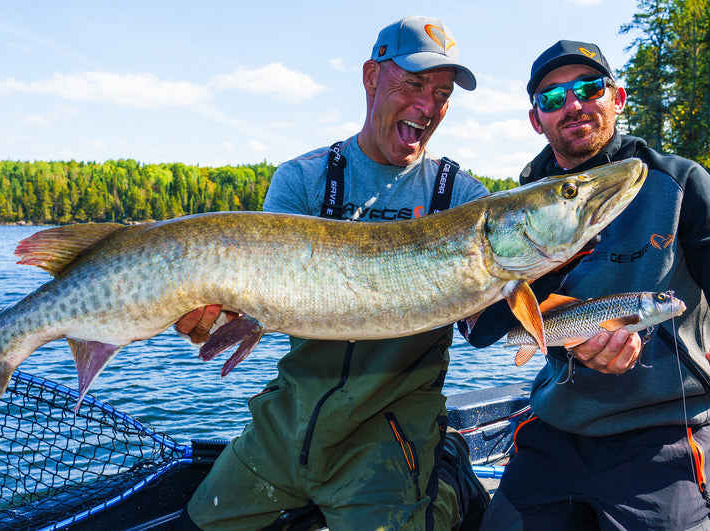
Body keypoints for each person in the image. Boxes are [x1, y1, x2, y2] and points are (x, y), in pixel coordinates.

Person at [179, 16, 496, 530]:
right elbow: (251, 302)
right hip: (289, 419)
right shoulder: (303, 180)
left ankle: (449, 479)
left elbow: (488, 325)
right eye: (413, 84)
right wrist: (211, 320)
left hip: (389, 434)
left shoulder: (461, 200)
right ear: (371, 77)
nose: (427, 106)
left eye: (442, 95)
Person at [469, 40, 710, 530]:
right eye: (552, 98)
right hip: (556, 426)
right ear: (537, 120)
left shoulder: (679, 182)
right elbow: (485, 329)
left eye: (589, 88)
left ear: (617, 98)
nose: (573, 104)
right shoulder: (518, 212)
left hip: (665, 434)